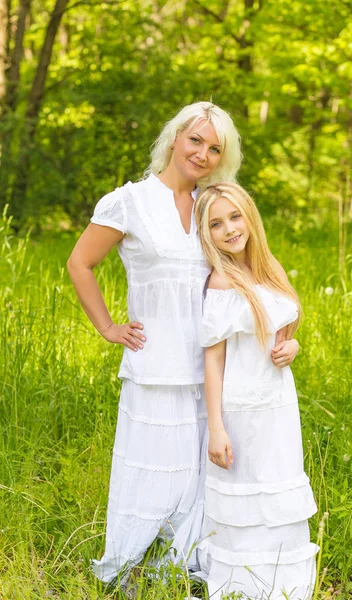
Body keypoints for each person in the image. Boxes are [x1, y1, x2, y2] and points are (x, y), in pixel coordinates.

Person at [66, 102, 241, 584]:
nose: (202, 154)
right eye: (195, 140)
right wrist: (107, 327)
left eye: (214, 148)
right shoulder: (130, 201)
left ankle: (182, 564)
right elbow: (79, 264)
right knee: (151, 470)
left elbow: (247, 272)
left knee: (200, 473)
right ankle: (131, 563)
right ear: (174, 137)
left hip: (211, 368)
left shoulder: (213, 207)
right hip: (154, 363)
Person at [194, 182, 319, 599]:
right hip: (241, 409)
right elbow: (213, 360)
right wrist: (216, 428)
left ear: (249, 216)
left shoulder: (270, 268)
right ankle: (243, 588)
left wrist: (293, 345)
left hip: (279, 404)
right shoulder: (221, 282)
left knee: (280, 485)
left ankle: (287, 586)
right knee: (247, 496)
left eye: (234, 216)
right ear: (206, 233)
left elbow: (285, 327)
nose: (229, 229)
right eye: (216, 223)